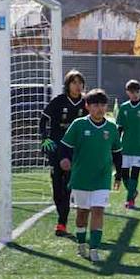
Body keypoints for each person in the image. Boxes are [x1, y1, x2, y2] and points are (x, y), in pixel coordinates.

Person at [58, 89, 122, 264]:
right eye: (95, 105)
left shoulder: (112, 128)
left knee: (98, 210)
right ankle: (81, 244)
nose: (99, 108)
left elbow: (117, 152)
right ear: (87, 106)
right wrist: (64, 159)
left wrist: (119, 176)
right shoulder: (79, 125)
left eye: (102, 105)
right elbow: (65, 146)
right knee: (82, 213)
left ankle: (94, 249)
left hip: (102, 177)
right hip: (81, 177)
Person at [39, 69, 88, 237]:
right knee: (56, 188)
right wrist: (45, 138)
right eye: (74, 82)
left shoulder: (85, 104)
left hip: (73, 150)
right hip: (55, 150)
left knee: (67, 186)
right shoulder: (59, 101)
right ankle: (62, 216)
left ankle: (62, 223)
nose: (78, 86)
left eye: (80, 83)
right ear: (68, 85)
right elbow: (43, 119)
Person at [115, 79, 140, 210]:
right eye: (132, 92)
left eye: (137, 91)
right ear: (127, 92)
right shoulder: (124, 108)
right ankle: (133, 191)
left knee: (135, 173)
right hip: (125, 146)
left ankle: (130, 200)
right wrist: (115, 144)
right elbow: (119, 128)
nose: (135, 94)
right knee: (124, 174)